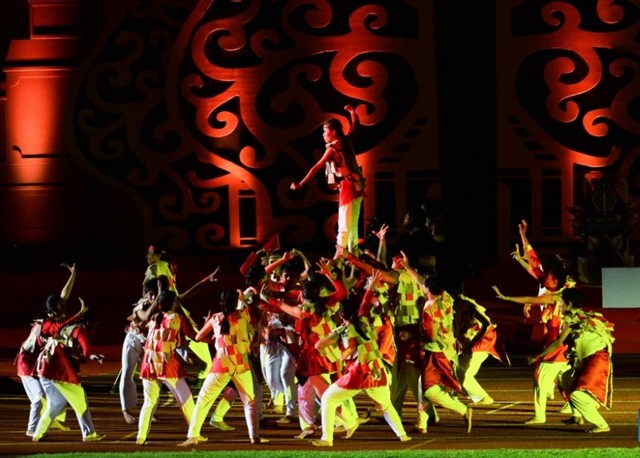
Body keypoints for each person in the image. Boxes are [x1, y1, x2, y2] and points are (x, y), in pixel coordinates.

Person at [310, 294, 411, 447]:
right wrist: (370, 289)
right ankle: (403, 435)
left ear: (341, 314)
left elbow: (325, 346)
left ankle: (327, 438)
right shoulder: (363, 321)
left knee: (327, 399)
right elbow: (364, 306)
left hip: (361, 372)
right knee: (386, 405)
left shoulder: (346, 329)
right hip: (377, 369)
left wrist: (336, 345)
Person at [179, 289, 266, 446]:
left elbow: (198, 337)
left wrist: (214, 341)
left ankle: (193, 435)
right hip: (241, 365)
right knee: (249, 401)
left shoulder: (216, 318)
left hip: (221, 365)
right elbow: (242, 305)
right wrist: (242, 296)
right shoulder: (243, 315)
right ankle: (254, 436)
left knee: (204, 400)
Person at [526, 288, 614, 433]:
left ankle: (602, 425)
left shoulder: (572, 318)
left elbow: (558, 342)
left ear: (569, 303)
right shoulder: (582, 316)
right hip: (589, 358)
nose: (559, 305)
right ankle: (577, 416)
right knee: (566, 379)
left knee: (577, 395)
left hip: (596, 359)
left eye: (561, 302)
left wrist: (538, 356)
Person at [290, 105, 365, 257]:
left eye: (325, 131)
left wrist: (300, 184)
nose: (323, 135)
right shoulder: (347, 141)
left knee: (344, 226)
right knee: (352, 226)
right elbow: (355, 127)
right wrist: (352, 112)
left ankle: (339, 258)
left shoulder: (333, 148)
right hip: (358, 187)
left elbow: (316, 168)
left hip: (348, 187)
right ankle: (353, 255)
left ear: (333, 132)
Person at [15, 263, 79, 437]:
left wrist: (73, 275)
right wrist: (79, 314)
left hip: (36, 363)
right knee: (38, 398)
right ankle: (31, 429)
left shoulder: (50, 316)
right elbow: (63, 325)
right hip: (26, 365)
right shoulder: (48, 325)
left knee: (55, 391)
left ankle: (53, 418)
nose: (64, 309)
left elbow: (64, 296)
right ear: (54, 310)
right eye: (61, 308)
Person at [33, 297, 106, 442]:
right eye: (95, 325)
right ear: (88, 323)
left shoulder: (65, 327)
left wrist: (89, 356)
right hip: (58, 369)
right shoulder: (80, 330)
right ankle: (89, 433)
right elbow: (86, 350)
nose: (95, 329)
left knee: (56, 402)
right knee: (80, 399)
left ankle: (39, 433)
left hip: (44, 368)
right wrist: (90, 355)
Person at [136, 290, 196, 445]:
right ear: (174, 303)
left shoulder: (155, 318)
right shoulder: (177, 318)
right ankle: (194, 433)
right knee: (186, 399)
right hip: (165, 364)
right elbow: (194, 335)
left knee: (149, 402)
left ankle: (141, 437)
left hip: (148, 363)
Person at [453, 294, 510, 405]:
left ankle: (484, 398)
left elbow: (486, 324)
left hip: (484, 341)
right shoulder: (457, 308)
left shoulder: (470, 307)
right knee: (458, 369)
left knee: (466, 375)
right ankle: (467, 394)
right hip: (472, 341)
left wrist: (473, 342)